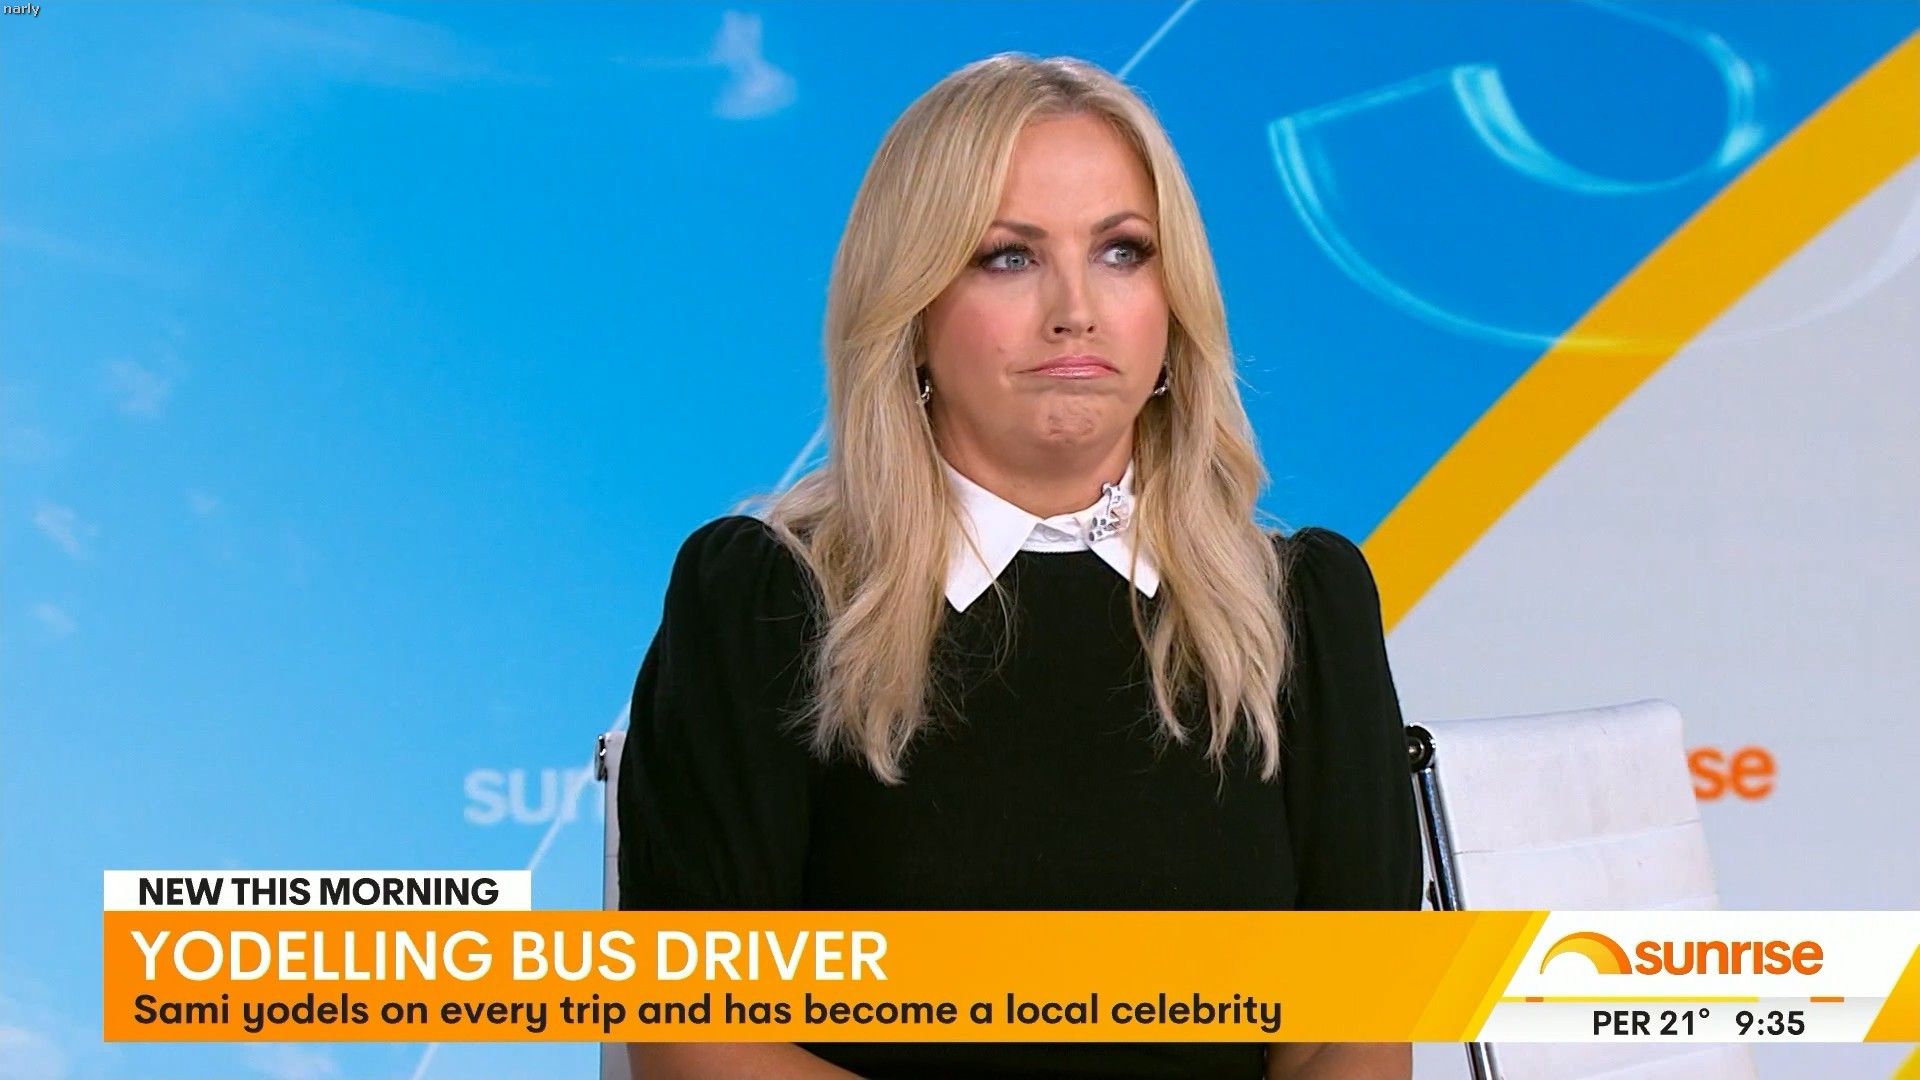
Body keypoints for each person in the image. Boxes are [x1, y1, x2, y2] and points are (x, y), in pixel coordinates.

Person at [618, 51, 1421, 1080]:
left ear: (1175, 305)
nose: (1075, 309)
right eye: (1008, 257)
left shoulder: (1304, 607)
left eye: (1123, 251)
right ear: (910, 313)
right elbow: (699, 1042)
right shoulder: (762, 601)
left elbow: (1352, 1036)